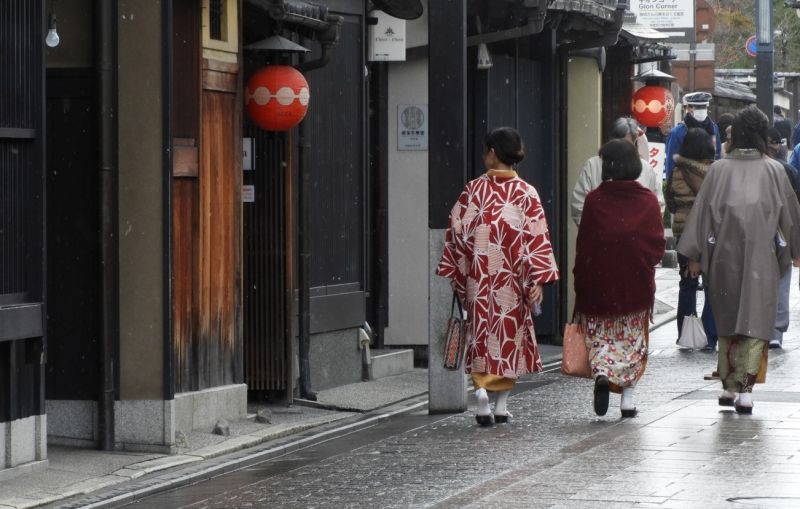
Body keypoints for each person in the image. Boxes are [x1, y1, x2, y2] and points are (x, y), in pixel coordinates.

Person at [678, 105, 800, 414]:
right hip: (763, 255)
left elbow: (702, 212)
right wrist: (795, 252)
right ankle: (745, 389)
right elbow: (790, 217)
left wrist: (694, 255)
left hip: (723, 256)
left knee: (728, 319)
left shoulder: (719, 170)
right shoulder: (774, 170)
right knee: (756, 321)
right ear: (762, 135)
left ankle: (728, 386)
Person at [436, 127, 560, 426]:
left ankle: (481, 396)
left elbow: (456, 231)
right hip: (513, 283)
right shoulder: (527, 193)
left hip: (480, 280)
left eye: (485, 151)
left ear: (492, 153)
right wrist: (537, 281)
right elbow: (537, 238)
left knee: (481, 336)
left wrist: (467, 267)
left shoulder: (474, 190)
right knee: (508, 340)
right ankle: (501, 405)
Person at [573, 139, 665, 418]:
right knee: (632, 340)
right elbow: (657, 245)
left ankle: (601, 372)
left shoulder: (594, 200)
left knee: (601, 336)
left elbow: (585, 243)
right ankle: (628, 399)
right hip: (633, 282)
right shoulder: (647, 200)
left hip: (599, 282)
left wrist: (583, 276)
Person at [668, 128, 718, 351]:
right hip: (708, 233)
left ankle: (685, 335)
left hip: (682, 233)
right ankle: (709, 336)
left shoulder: (677, 171)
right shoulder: (715, 173)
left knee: (687, 283)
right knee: (711, 285)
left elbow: (670, 201)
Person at [571, 117, 664, 225]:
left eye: (627, 144)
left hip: (636, 236)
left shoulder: (646, 168)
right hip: (602, 235)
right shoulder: (593, 165)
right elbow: (579, 205)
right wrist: (595, 228)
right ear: (611, 140)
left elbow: (657, 206)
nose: (622, 149)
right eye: (619, 142)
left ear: (634, 142)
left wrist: (641, 227)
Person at [766, 127, 800, 349]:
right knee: (782, 277)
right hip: (784, 230)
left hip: (765, 229)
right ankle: (776, 329)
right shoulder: (786, 169)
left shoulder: (797, 152)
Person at [664, 92, 722, 182]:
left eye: (704, 107)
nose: (701, 110)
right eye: (695, 106)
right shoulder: (677, 132)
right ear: (687, 108)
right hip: (685, 183)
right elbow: (671, 164)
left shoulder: (714, 129)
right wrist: (670, 186)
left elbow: (718, 157)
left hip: (710, 182)